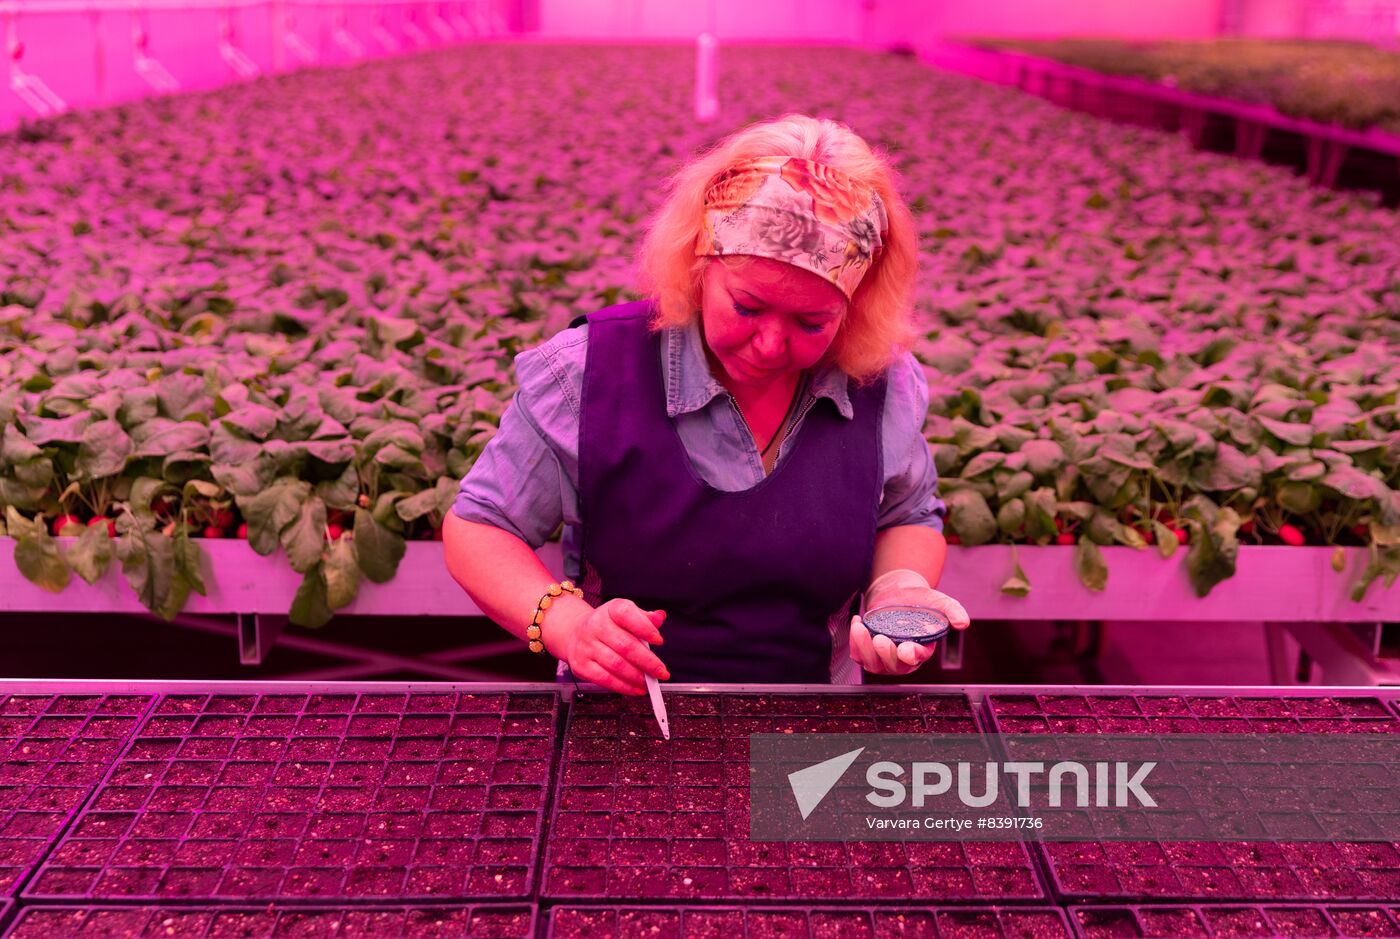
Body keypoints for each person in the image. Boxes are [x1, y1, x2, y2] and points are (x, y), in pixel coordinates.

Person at [444, 113, 970, 694]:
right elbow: (481, 526)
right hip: (622, 714)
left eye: (811, 322)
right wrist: (568, 624)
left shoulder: (880, 384)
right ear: (699, 264)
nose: (770, 344)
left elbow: (907, 513)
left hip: (816, 709)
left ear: (856, 305)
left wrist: (899, 590)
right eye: (747, 307)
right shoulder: (586, 372)